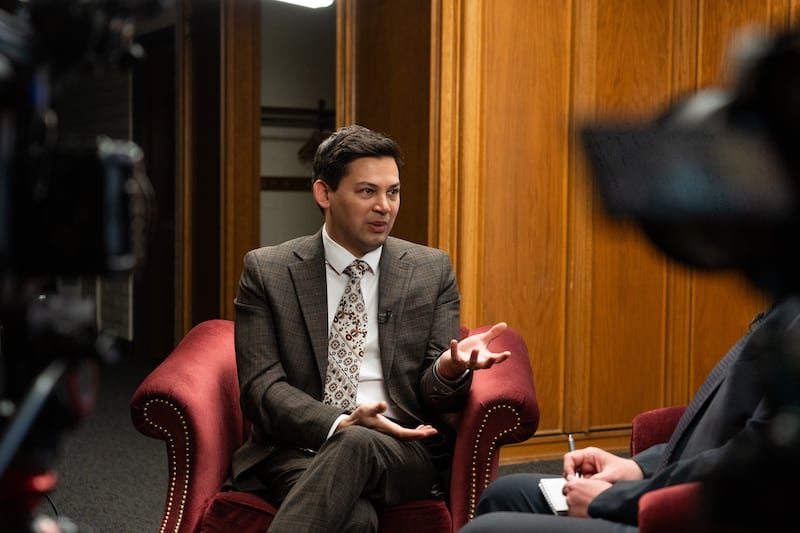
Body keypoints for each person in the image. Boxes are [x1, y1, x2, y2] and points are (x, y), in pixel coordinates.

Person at [228, 124, 511, 533]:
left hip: (402, 448)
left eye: (393, 192)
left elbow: (436, 395)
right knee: (356, 519)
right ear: (324, 194)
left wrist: (449, 368)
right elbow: (261, 389)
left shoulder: (430, 270)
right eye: (367, 192)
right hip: (296, 447)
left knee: (358, 443)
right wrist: (341, 421)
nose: (385, 206)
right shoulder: (268, 270)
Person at [460, 296, 800, 533]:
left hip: (696, 516)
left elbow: (754, 467)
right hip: (674, 486)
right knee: (505, 494)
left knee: (488, 529)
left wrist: (613, 499)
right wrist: (637, 467)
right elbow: (721, 425)